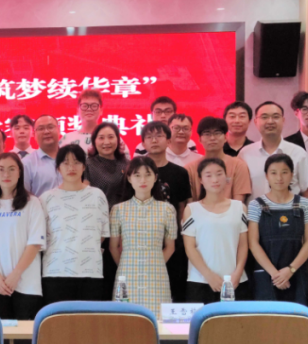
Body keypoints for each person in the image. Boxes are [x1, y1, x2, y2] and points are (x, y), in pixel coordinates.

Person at [131, 121, 194, 304]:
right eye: (149, 137)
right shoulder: (133, 172)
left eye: (159, 136)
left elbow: (182, 207)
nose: (154, 140)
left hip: (171, 240)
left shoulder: (180, 173)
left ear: (168, 141)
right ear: (143, 143)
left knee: (173, 290)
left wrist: (179, 236)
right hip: (140, 240)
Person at [41, 145, 111, 303]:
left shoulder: (97, 195)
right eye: (65, 163)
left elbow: (102, 235)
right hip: (55, 271)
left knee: (88, 319)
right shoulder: (46, 198)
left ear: (84, 166)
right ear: (58, 168)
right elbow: (41, 237)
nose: (71, 167)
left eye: (76, 162)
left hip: (90, 271)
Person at [109, 157, 177, 314]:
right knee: (125, 319)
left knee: (157, 321)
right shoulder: (118, 210)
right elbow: (113, 247)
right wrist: (126, 264)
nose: (143, 180)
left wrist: (155, 262)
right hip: (127, 273)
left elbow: (170, 247)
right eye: (137, 175)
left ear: (156, 177)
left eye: (148, 174)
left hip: (157, 274)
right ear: (129, 178)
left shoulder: (167, 209)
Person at [0, 153, 46, 320]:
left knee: (25, 334)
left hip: (26, 284)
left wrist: (16, 274)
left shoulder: (32, 203)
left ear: (20, 173)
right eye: (1, 169)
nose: (6, 174)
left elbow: (35, 243)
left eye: (12, 169)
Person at [248, 155, 308, 306]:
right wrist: (275, 274)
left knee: (297, 316)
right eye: (273, 173)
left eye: (284, 172)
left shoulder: (305, 204)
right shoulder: (255, 205)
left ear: (292, 174)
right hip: (266, 273)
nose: (279, 178)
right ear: (266, 176)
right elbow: (253, 243)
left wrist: (290, 270)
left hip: (296, 272)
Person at [182, 159, 250, 304]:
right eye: (208, 175)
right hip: (200, 281)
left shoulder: (239, 207)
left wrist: (238, 273)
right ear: (200, 180)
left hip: (235, 282)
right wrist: (209, 276)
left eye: (219, 174)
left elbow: (243, 245)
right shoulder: (192, 209)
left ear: (226, 177)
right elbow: (189, 247)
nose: (215, 179)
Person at [240, 102, 308, 198]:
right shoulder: (245, 154)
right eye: (264, 117)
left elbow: (307, 191)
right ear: (256, 122)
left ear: (283, 120)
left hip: (290, 208)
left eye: (275, 117)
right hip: (254, 208)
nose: (270, 121)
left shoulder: (298, 153)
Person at [189, 117, 253, 204]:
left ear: (226, 137)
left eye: (217, 133)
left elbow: (238, 203)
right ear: (199, 139)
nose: (212, 138)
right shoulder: (190, 168)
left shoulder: (238, 165)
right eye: (207, 134)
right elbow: (190, 203)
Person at [85, 122, 128, 204]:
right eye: (101, 138)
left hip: (125, 211)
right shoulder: (88, 165)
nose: (106, 142)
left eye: (111, 137)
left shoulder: (127, 164)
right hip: (98, 211)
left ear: (118, 139)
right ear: (94, 141)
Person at [23, 115, 64, 197]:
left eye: (50, 127)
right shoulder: (26, 163)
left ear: (59, 130)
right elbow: (24, 197)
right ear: (34, 134)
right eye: (41, 128)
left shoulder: (71, 159)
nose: (46, 132)